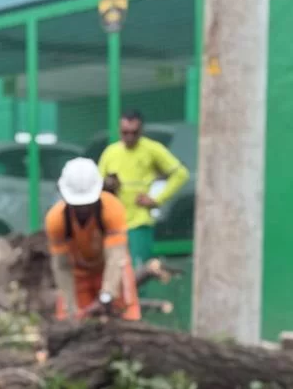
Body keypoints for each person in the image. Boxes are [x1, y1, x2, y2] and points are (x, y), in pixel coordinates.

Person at [46, 157, 139, 322]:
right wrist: (70, 308)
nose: (82, 208)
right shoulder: (56, 219)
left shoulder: (112, 209)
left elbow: (116, 256)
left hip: (112, 270)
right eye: (77, 205)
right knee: (70, 320)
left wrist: (107, 294)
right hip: (78, 275)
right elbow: (62, 267)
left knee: (126, 317)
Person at [97, 110, 189, 267]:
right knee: (114, 269)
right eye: (125, 132)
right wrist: (108, 185)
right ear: (119, 131)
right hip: (113, 223)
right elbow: (97, 184)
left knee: (138, 270)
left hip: (140, 222)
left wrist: (156, 199)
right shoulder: (110, 152)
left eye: (134, 133)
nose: (129, 137)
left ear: (141, 131)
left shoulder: (152, 149)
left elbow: (181, 174)